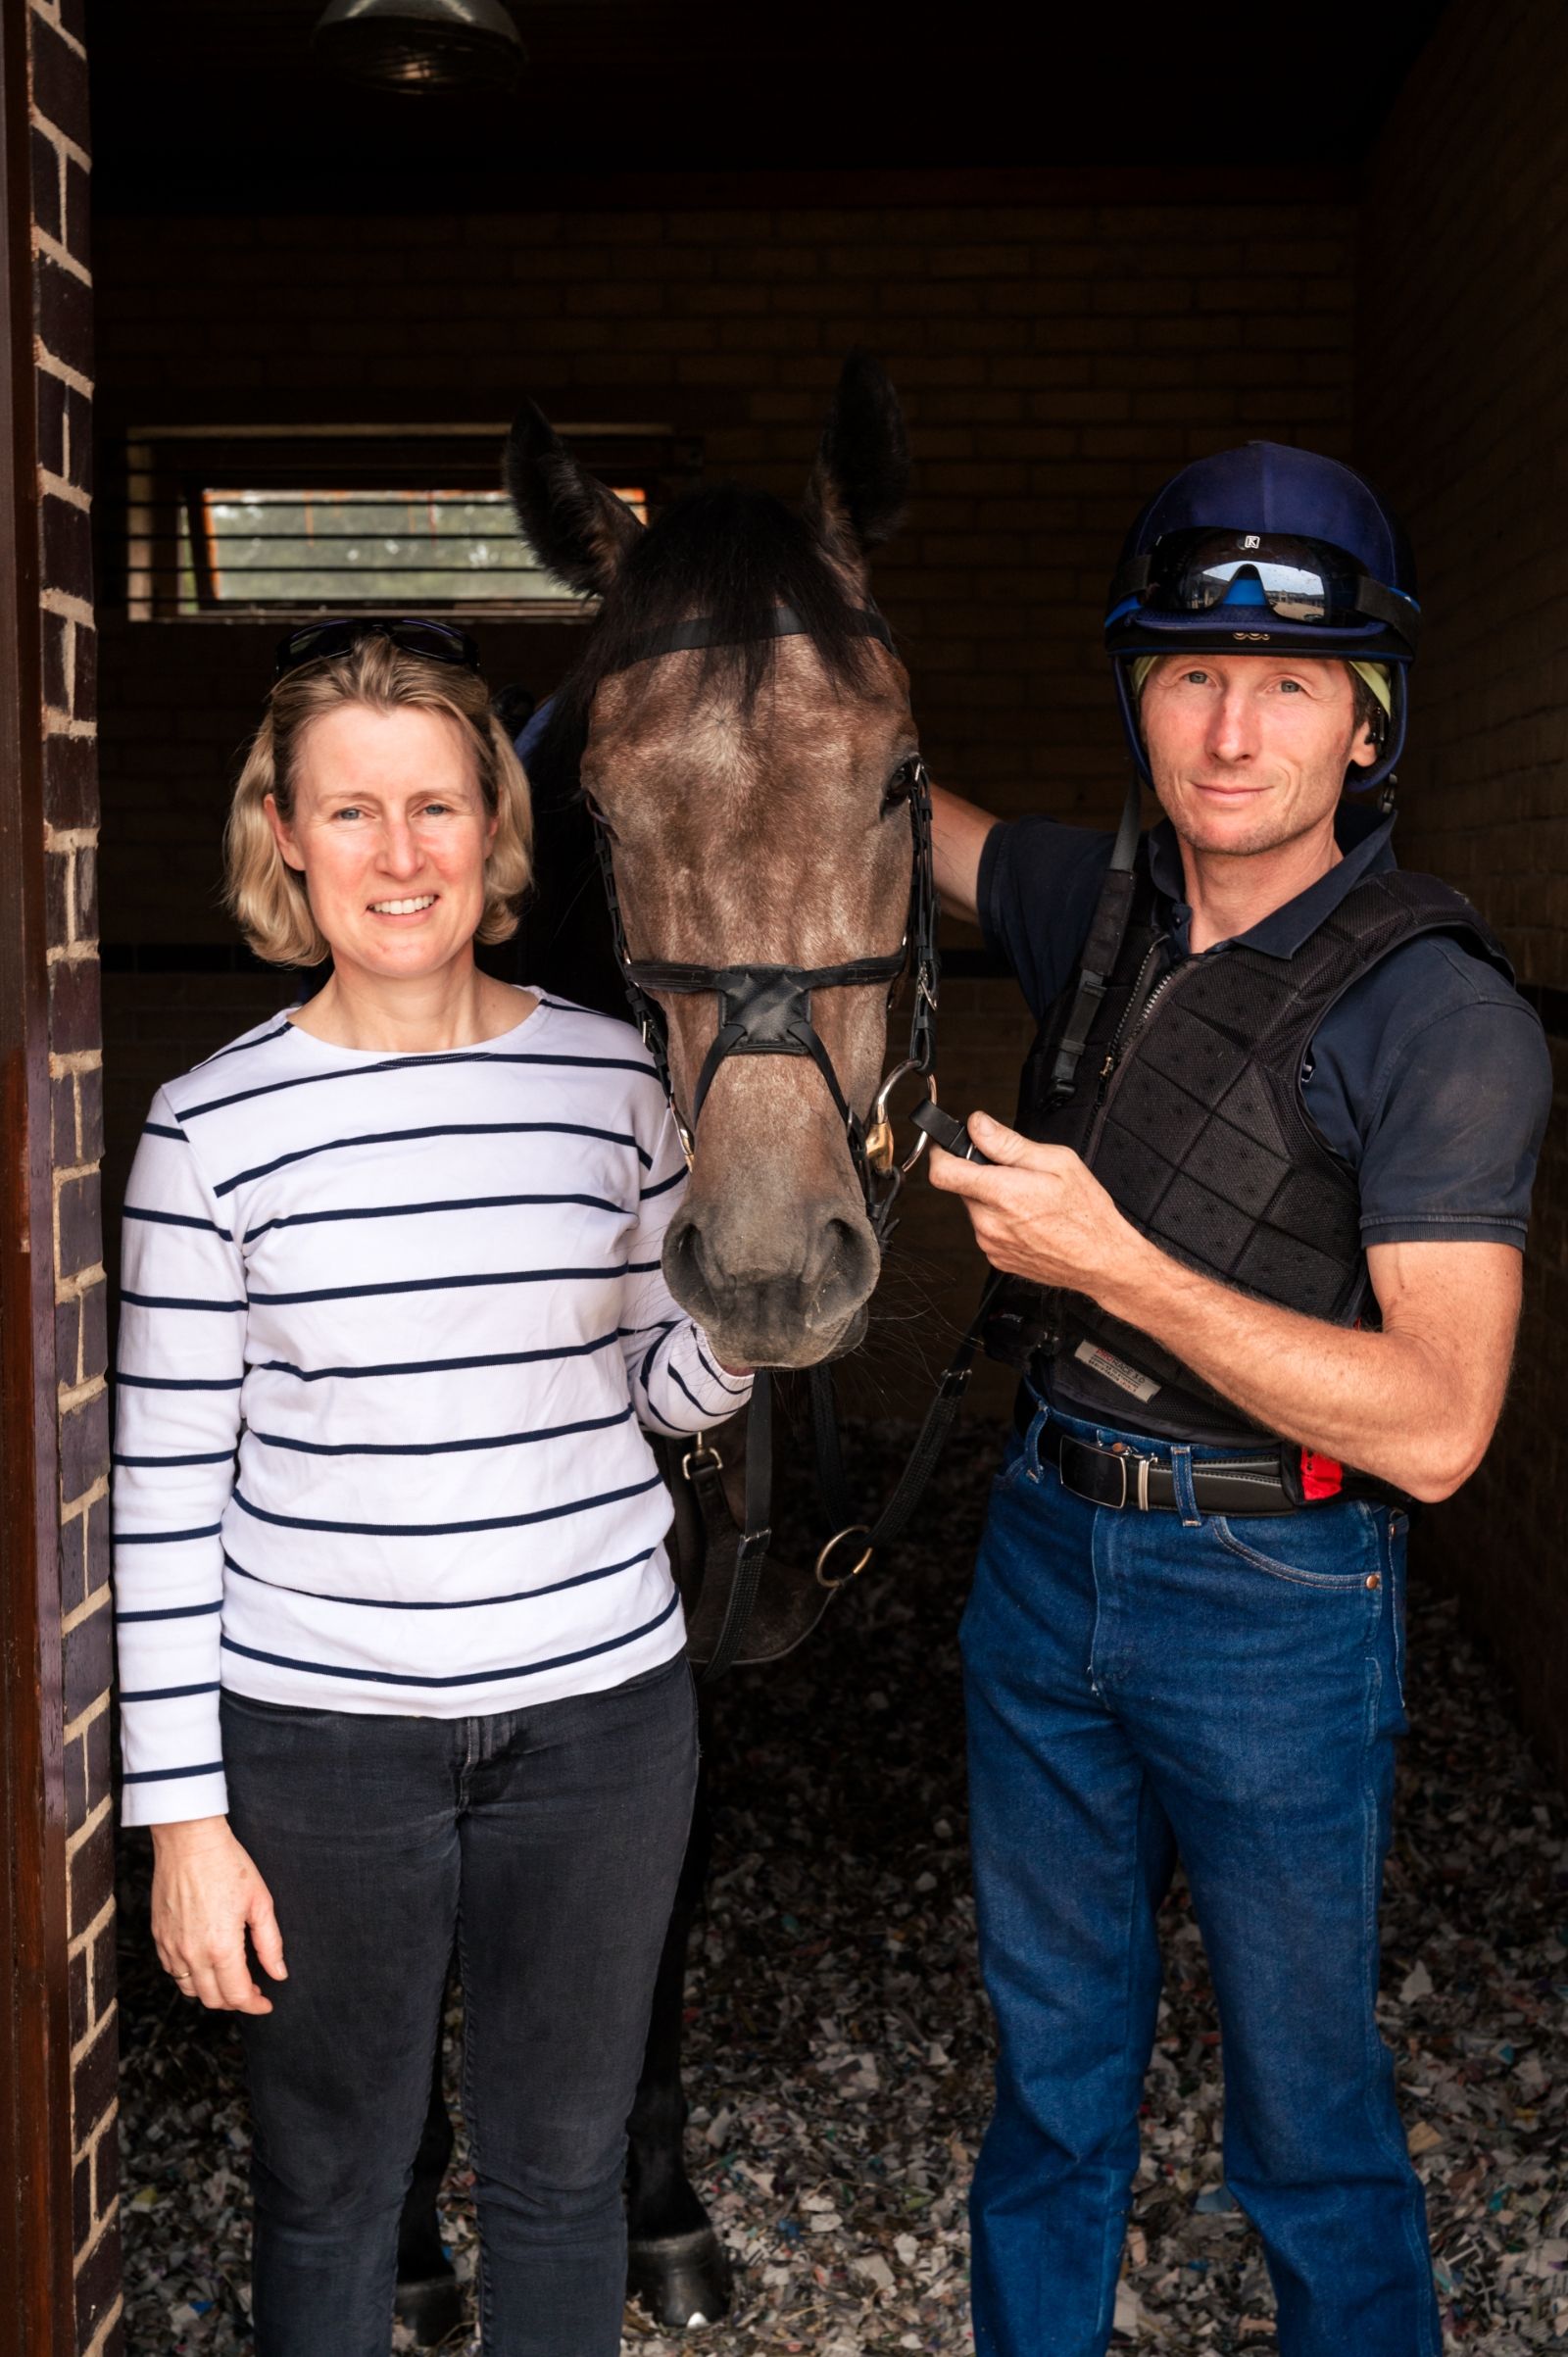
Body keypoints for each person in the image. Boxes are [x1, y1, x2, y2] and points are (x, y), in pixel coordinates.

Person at [922, 444, 1552, 2357]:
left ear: (1366, 727)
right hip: (1041, 1554)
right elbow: (879, 822)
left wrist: (1106, 1262)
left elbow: (1437, 1426)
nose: (1227, 723)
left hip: (1271, 1599)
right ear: (1135, 694)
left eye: (1287, 682)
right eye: (1187, 670)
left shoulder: (1437, 1017)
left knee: (1305, 2111)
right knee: (1046, 2080)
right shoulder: (1082, 898)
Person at [112, 617, 752, 2357]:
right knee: (327, 2183)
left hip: (602, 1723)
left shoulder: (616, 1080)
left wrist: (753, 1314)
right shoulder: (206, 1132)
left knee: (558, 2174)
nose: (400, 854)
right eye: (351, 811)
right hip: (323, 1739)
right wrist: (182, 1822)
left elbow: (662, 1388)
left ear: (497, 828)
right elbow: (162, 1493)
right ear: (285, 837)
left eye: (438, 806)